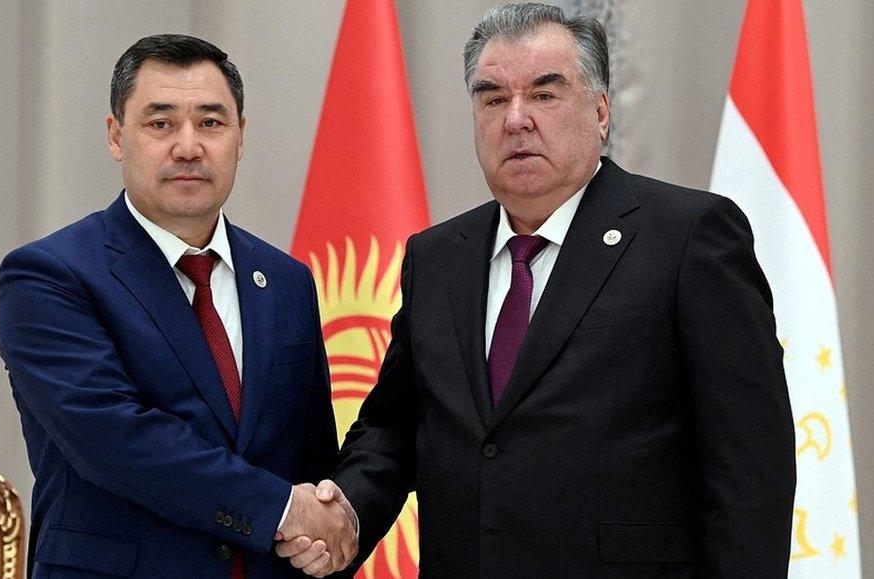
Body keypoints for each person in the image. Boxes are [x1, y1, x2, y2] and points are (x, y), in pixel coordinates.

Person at [279, 4, 795, 577]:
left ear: (600, 112)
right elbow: (395, 426)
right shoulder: (436, 257)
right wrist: (346, 513)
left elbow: (751, 467)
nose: (516, 119)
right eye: (494, 98)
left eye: (545, 95)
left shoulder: (689, 237)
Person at [0, 34, 356, 578]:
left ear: (240, 138)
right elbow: (116, 441)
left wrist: (323, 540)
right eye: (160, 123)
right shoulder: (49, 276)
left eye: (211, 123)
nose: (188, 147)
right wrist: (282, 510)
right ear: (117, 136)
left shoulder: (286, 281)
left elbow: (310, 454)